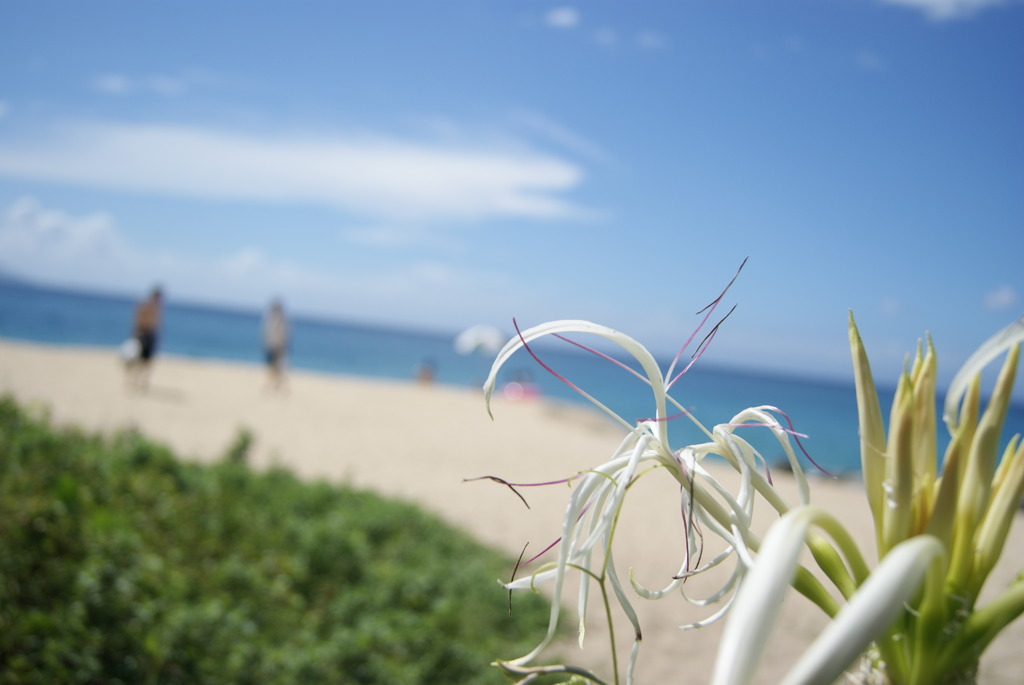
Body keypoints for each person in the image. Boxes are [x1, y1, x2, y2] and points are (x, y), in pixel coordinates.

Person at [126, 286, 163, 390]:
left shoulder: (157, 308)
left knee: (148, 361)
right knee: (138, 359)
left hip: (151, 335)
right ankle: (133, 380)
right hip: (142, 334)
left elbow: (156, 325)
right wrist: (136, 334)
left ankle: (144, 381)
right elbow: (137, 321)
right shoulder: (144, 306)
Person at [262, 299, 289, 391]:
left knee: (278, 367)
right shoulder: (270, 319)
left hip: (278, 347)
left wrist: (282, 347)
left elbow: (284, 336)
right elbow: (267, 334)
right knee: (270, 366)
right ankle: (272, 384)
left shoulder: (282, 320)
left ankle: (278, 384)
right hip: (271, 346)